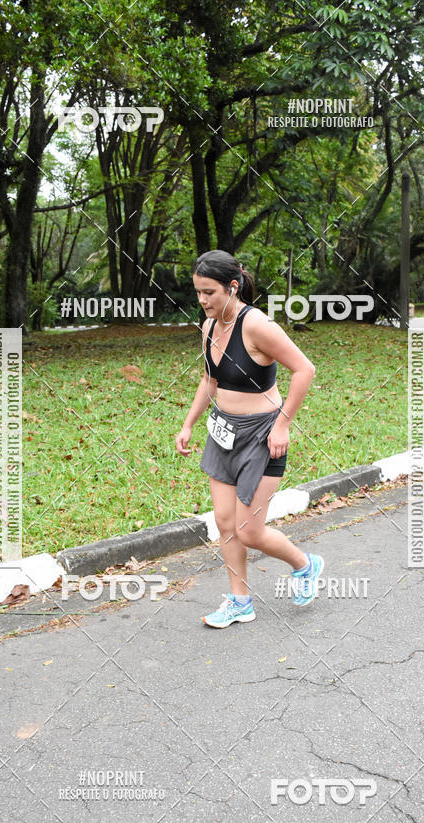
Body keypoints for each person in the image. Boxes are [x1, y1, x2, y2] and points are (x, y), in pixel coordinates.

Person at [175, 250, 323, 628]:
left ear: (232, 286)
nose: (203, 300)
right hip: (223, 431)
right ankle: (240, 601)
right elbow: (210, 379)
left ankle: (305, 566)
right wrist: (189, 423)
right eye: (198, 292)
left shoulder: (256, 325)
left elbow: (305, 369)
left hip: (263, 434)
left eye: (210, 292)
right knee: (225, 522)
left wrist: (283, 424)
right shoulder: (209, 327)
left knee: (249, 530)